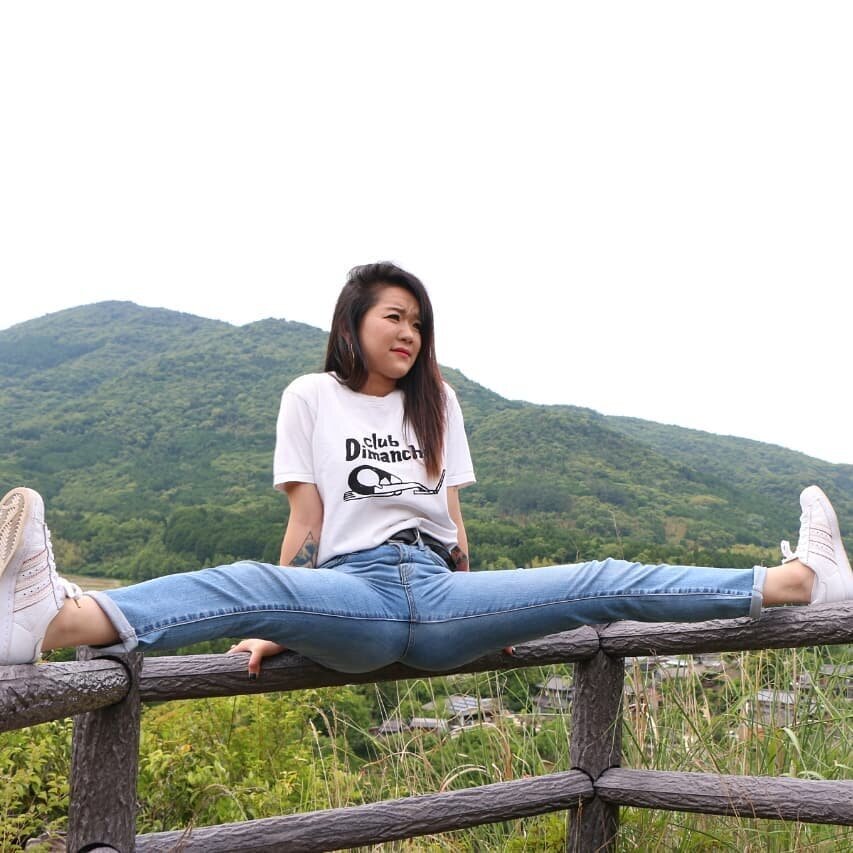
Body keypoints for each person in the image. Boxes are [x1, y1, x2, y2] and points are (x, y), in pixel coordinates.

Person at [1, 262, 852, 675]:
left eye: (418, 322)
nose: (409, 333)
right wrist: (284, 616)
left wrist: (490, 610)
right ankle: (51, 621)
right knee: (242, 582)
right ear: (353, 323)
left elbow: (453, 524)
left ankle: (797, 582)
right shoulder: (309, 395)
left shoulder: (437, 400)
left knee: (600, 577)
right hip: (355, 596)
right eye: (394, 317)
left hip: (444, 598)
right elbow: (305, 522)